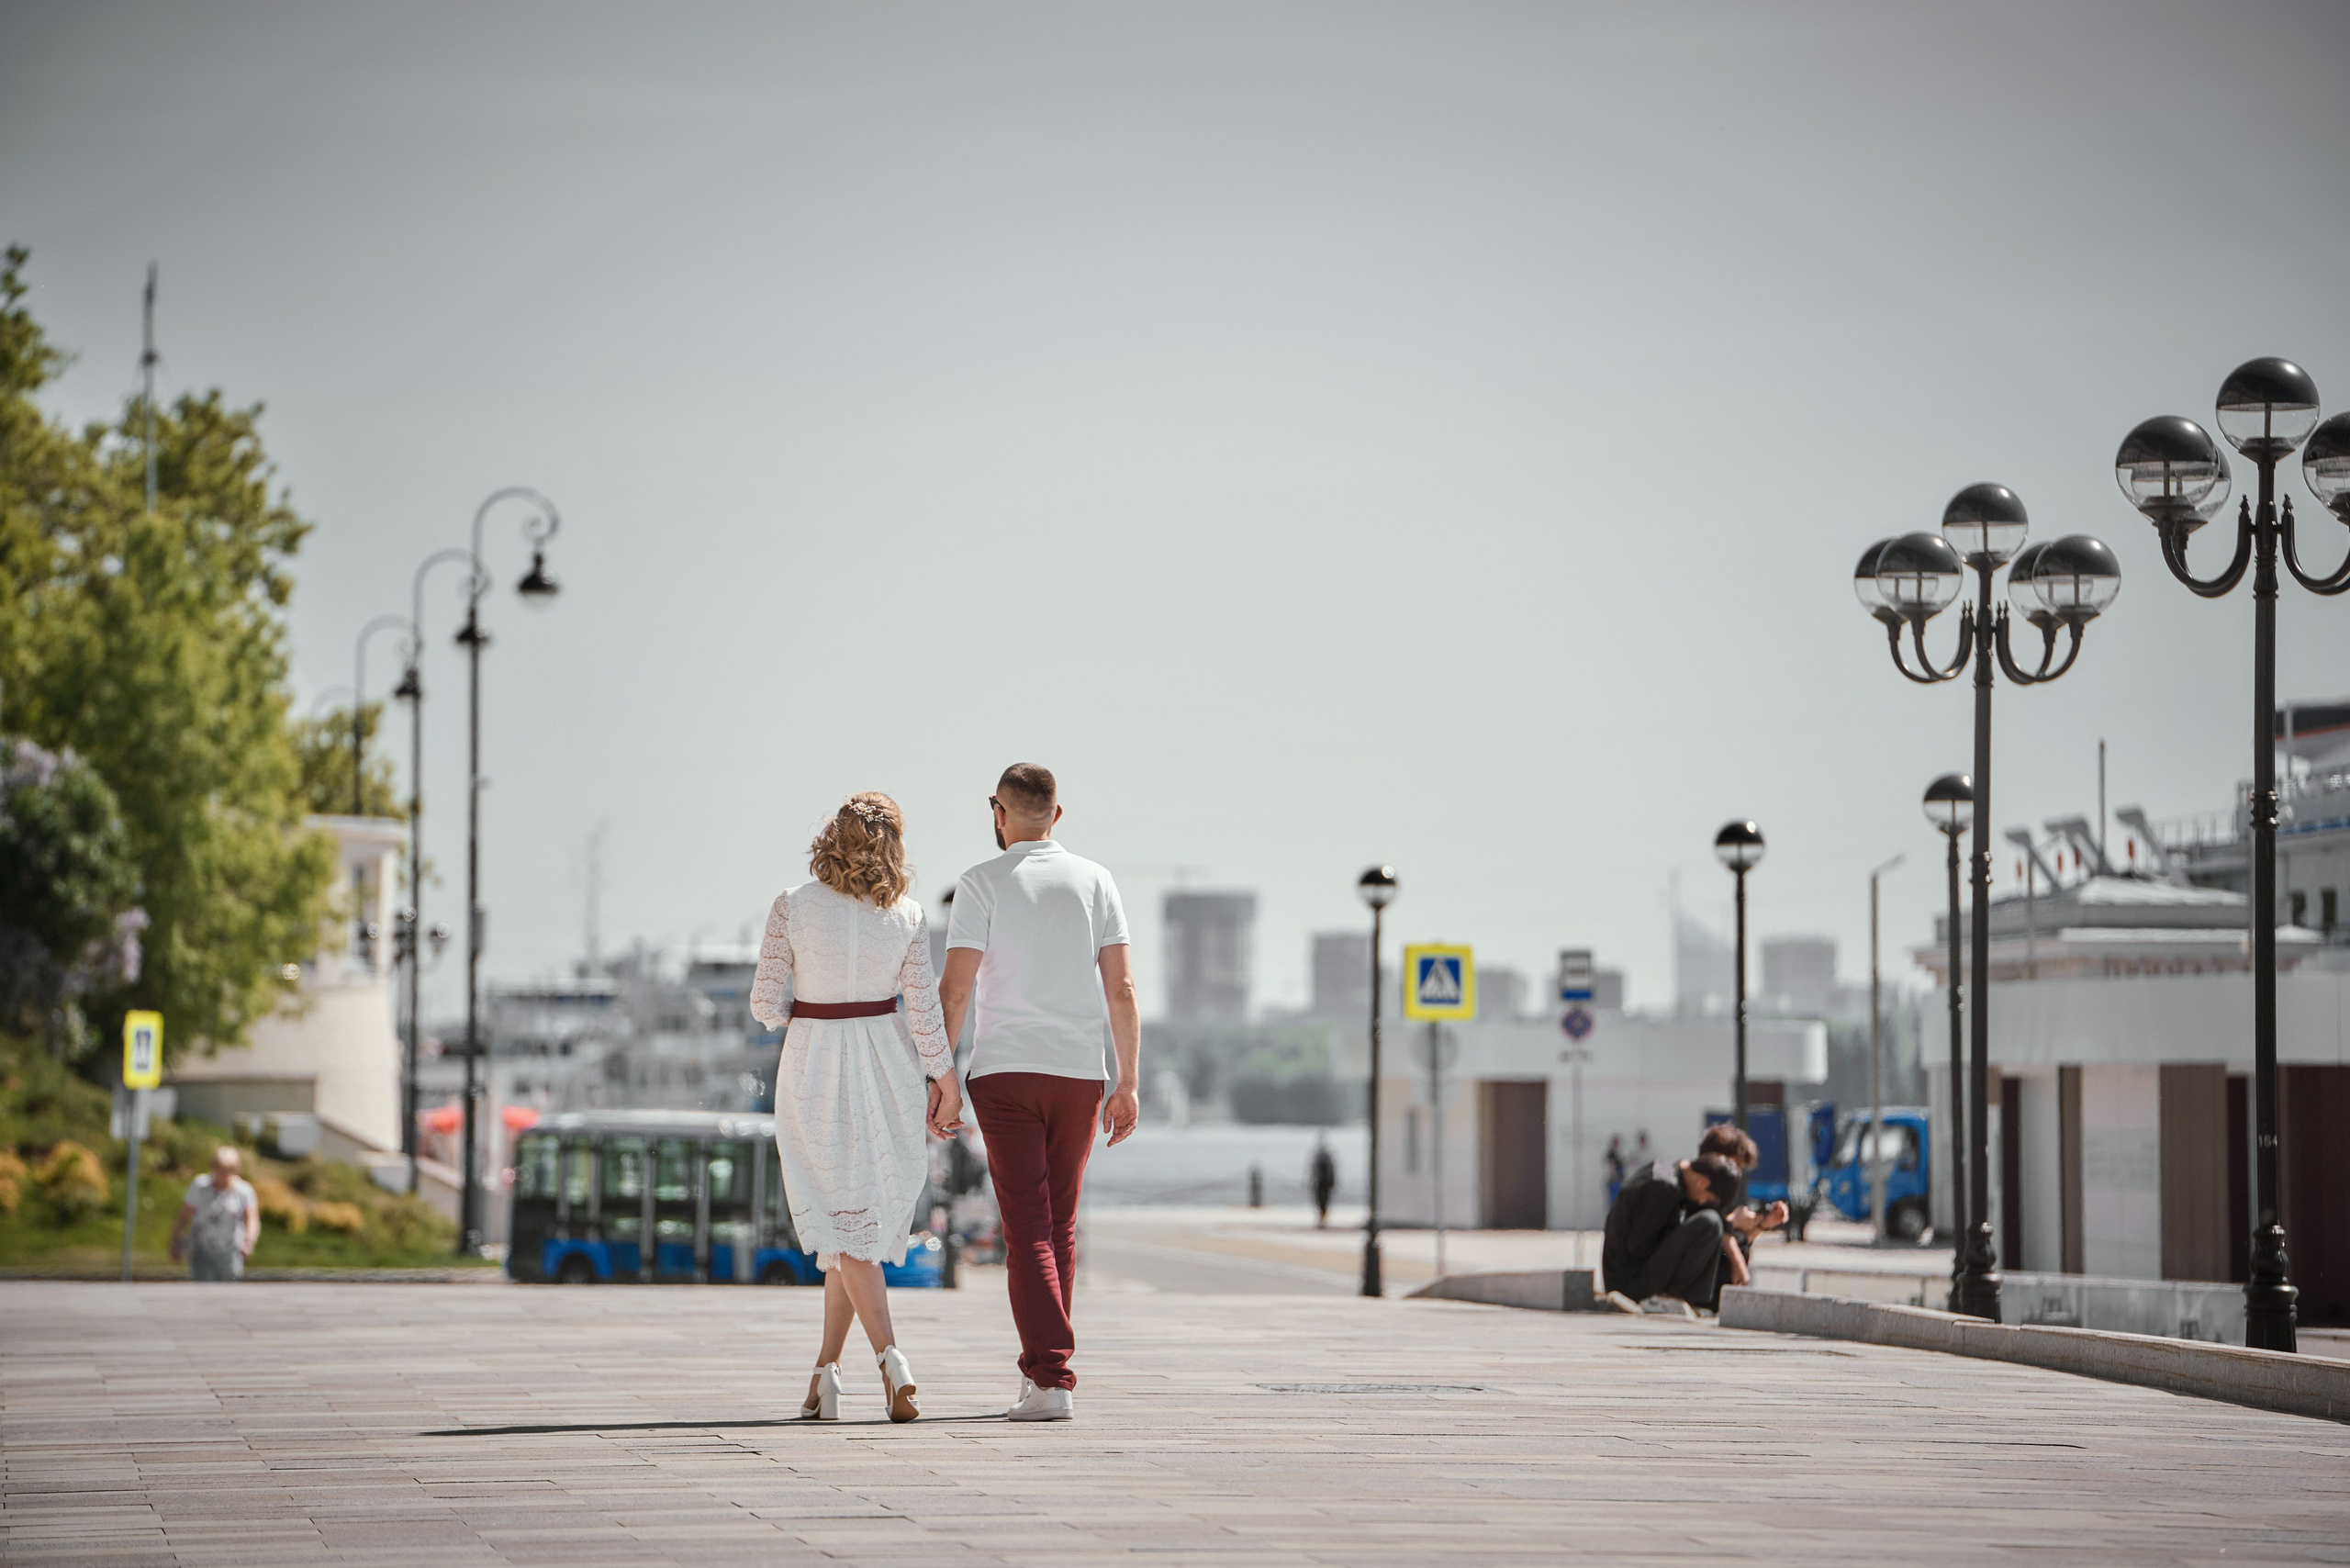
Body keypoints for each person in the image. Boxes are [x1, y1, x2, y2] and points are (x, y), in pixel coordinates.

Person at [749, 791, 959, 1425]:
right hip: (887, 1066)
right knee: (854, 1222)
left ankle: (893, 1360)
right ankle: (824, 1374)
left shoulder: (791, 905)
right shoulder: (910, 915)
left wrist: (802, 1014)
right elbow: (923, 1013)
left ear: (831, 838)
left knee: (846, 1223)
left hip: (813, 1062)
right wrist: (946, 1082)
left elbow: (764, 1004)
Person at [937, 764, 1138, 1423]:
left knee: (1027, 1228)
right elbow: (1122, 990)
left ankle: (1050, 1380)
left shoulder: (979, 883)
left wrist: (939, 1078)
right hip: (1081, 1073)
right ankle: (1045, 1378)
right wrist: (1128, 1081)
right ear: (1058, 814)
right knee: (1058, 1227)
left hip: (1005, 1074)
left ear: (998, 811)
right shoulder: (1096, 880)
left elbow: (957, 990)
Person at [1600, 1150, 1744, 1317]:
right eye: (1707, 1198)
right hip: (1628, 1284)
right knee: (1709, 1222)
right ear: (1702, 1182)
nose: (1701, 1202)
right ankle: (1673, 1299)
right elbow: (1638, 1246)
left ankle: (1688, 1300)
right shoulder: (1664, 1188)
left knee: (1708, 1222)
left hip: (1626, 1276)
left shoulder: (1665, 1169)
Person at [1695, 1123, 1792, 1294]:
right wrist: (1733, 1223)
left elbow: (1730, 1238)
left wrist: (1763, 1224)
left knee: (1739, 1240)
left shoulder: (1720, 1192)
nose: (1737, 1174)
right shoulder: (1699, 1186)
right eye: (1734, 1166)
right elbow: (1705, 1233)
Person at [169, 1146, 259, 1282]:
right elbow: (184, 1215)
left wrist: (249, 1241)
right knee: (203, 1291)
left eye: (228, 1170)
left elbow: (252, 1219)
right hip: (203, 1250)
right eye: (219, 1168)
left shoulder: (244, 1191)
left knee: (230, 1291)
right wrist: (175, 1240)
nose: (222, 1173)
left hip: (230, 1251)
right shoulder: (200, 1186)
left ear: (235, 1170)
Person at [1309, 1136, 1337, 1228]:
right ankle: (1322, 1220)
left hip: (1322, 1183)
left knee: (1322, 1202)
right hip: (1324, 1183)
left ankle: (1322, 1220)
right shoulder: (1326, 1156)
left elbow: (1314, 1170)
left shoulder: (1318, 1156)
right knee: (1323, 1202)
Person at [1602, 1134, 1626, 1205]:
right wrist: (1613, 1177)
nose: (1617, 1144)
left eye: (1618, 1142)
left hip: (1618, 1180)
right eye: (1616, 1142)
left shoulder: (1618, 1153)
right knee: (1614, 1200)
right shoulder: (1611, 1154)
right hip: (1614, 1181)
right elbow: (1610, 1167)